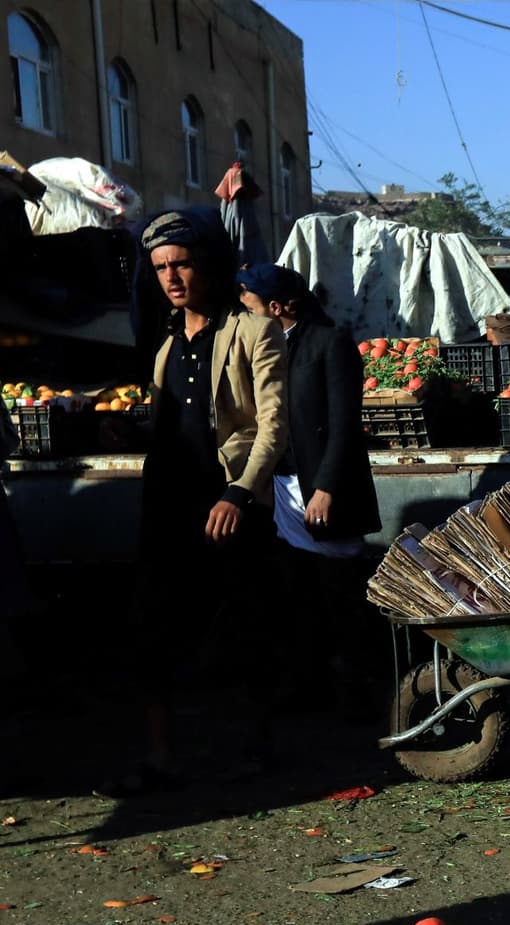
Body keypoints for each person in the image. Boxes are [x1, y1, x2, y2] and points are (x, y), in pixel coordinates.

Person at [105, 209, 288, 793]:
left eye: (181, 263)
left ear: (206, 263)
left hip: (230, 505)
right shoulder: (165, 345)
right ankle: (161, 761)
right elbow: (170, 426)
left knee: (246, 627)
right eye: (160, 267)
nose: (171, 277)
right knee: (151, 630)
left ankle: (255, 752)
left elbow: (273, 423)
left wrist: (239, 491)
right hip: (169, 506)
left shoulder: (254, 331)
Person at [236, 262, 382, 708]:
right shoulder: (267, 348)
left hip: (319, 487)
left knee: (337, 592)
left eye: (252, 307)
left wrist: (326, 487)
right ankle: (308, 685)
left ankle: (353, 689)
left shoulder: (328, 343)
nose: (245, 317)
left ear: (277, 307)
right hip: (283, 487)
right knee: (297, 592)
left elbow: (343, 425)